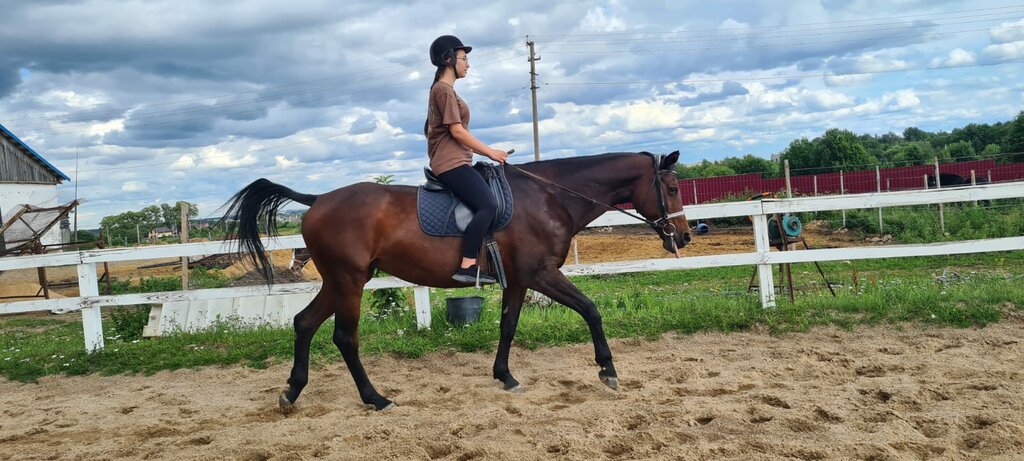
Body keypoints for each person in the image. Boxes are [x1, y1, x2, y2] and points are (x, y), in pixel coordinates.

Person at [425, 35, 508, 284]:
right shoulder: (443, 90)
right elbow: (457, 131)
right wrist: (490, 152)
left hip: (457, 161)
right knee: (488, 206)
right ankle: (468, 266)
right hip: (451, 164)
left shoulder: (445, 91)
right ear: (448, 60)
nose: (468, 64)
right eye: (464, 58)